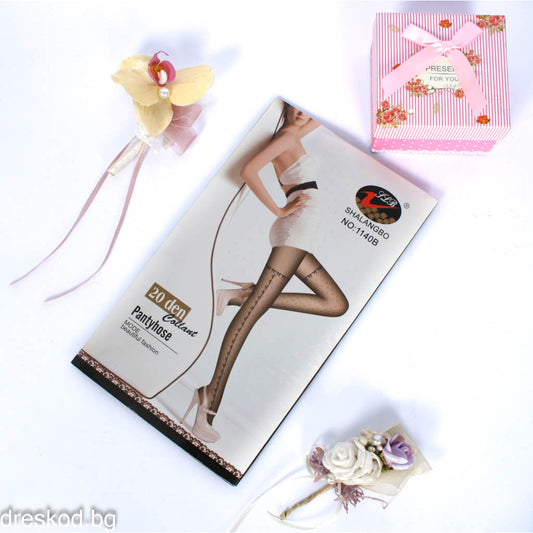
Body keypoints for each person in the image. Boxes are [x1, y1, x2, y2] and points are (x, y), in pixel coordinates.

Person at [181, 103, 349, 442]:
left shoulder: (295, 132)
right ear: (286, 107)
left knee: (335, 303)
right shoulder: (286, 135)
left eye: (306, 110)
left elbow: (321, 116)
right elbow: (249, 170)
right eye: (296, 108)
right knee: (249, 318)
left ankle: (242, 295)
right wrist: (279, 209)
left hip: (302, 229)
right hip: (295, 227)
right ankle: (210, 398)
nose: (303, 114)